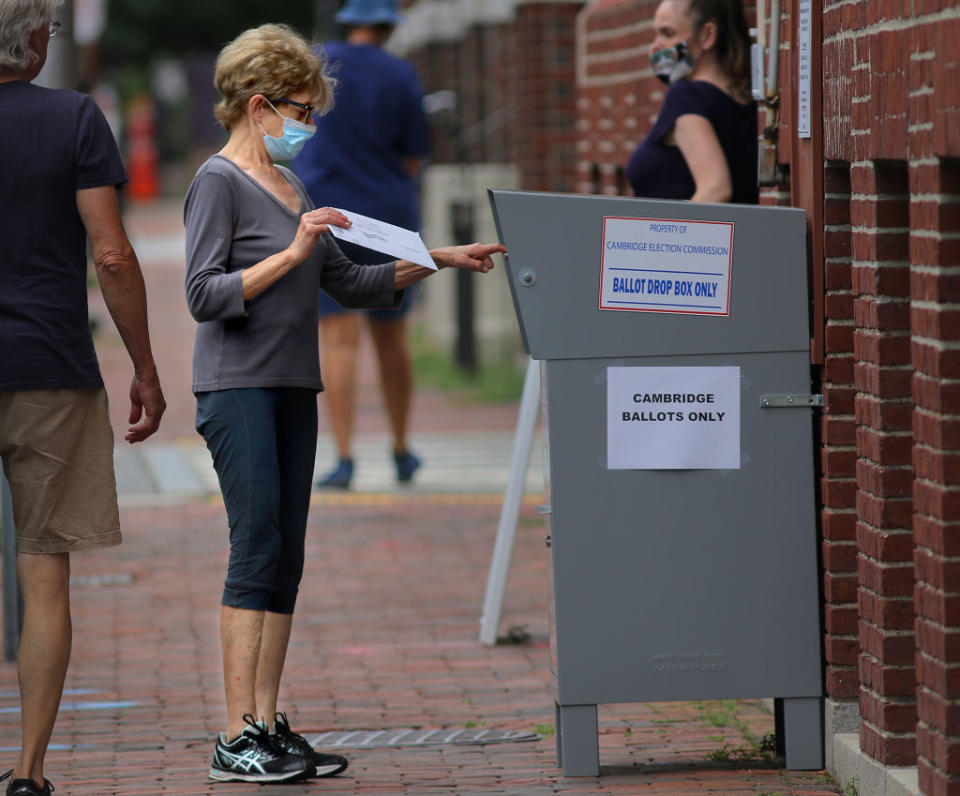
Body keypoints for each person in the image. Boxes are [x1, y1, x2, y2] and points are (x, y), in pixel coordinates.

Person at [184, 23, 503, 785]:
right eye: (301, 110)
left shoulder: (291, 185)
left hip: (294, 384)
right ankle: (233, 734)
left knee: (285, 557)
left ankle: (264, 721)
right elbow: (203, 295)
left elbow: (351, 283)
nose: (310, 125)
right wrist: (290, 255)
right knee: (254, 547)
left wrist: (438, 259)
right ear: (258, 106)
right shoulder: (217, 182)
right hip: (238, 387)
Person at [0, 2, 166, 795]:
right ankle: (28, 772)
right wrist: (144, 366)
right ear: (34, 40)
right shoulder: (75, 118)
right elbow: (110, 252)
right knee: (45, 570)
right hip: (49, 366)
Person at [293, 0, 428, 489]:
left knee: (339, 337)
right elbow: (414, 156)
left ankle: (345, 456)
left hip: (330, 215)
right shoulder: (401, 73)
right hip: (391, 216)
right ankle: (401, 449)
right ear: (389, 27)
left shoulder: (315, 63)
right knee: (392, 336)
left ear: (348, 23)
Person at [626, 0, 758, 204]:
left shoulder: (686, 97)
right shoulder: (746, 100)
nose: (655, 45)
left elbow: (715, 189)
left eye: (667, 33)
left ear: (707, 36)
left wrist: (671, 235)